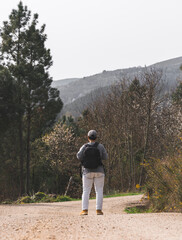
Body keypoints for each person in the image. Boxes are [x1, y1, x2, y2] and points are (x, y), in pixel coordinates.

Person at [77, 130, 108, 215]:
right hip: (99, 171)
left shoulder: (84, 146)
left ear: (88, 137)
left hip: (87, 171)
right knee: (99, 190)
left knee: (86, 191)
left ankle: (85, 210)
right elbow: (105, 157)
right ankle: (98, 210)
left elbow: (78, 156)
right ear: (96, 137)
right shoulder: (100, 146)